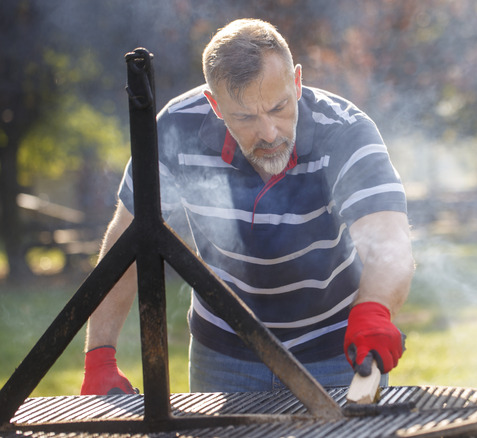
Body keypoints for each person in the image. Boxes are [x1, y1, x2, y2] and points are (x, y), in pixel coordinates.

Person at [80, 18, 414, 395]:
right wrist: (100, 357)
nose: (269, 132)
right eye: (245, 117)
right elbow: (128, 241)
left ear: (297, 81)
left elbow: (388, 239)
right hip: (225, 353)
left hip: (336, 349)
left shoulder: (345, 130)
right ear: (215, 104)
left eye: (279, 107)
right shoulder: (175, 129)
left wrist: (373, 311)